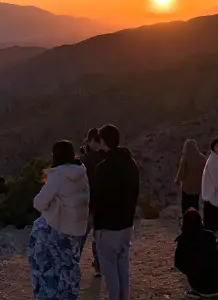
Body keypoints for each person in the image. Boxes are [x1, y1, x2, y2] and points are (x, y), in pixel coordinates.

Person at [28, 140, 90, 300]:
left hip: (59, 229)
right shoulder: (82, 173)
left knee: (43, 264)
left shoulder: (58, 176)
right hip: (76, 230)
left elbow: (39, 203)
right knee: (68, 267)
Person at [93, 124, 140, 300]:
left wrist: (97, 228)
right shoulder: (132, 164)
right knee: (123, 266)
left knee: (110, 271)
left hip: (108, 227)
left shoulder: (103, 169)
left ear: (103, 142)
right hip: (127, 224)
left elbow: (98, 201)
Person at [174, 209, 218, 297]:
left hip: (203, 288)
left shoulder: (183, 241)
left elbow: (178, 264)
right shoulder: (209, 235)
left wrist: (191, 271)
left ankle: (196, 291)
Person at [80, 128, 105, 277]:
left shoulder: (85, 160)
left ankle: (73, 263)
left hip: (87, 204)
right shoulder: (103, 158)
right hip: (100, 204)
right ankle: (98, 267)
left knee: (81, 237)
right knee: (98, 238)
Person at [175, 139, 207, 215]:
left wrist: (177, 180)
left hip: (187, 186)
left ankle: (186, 220)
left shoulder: (185, 157)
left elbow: (182, 171)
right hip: (197, 186)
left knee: (186, 204)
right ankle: (196, 219)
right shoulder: (202, 158)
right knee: (195, 203)